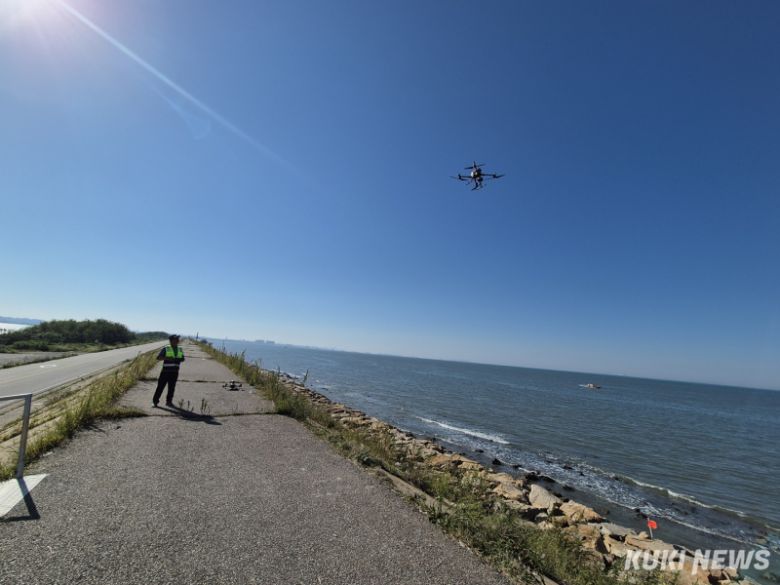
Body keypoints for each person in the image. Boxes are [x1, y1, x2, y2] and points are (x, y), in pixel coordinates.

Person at [153, 334, 185, 407]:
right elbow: (158, 358)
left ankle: (169, 402)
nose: (177, 341)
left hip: (175, 372)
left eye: (177, 340)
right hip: (165, 372)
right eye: (175, 340)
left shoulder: (180, 349)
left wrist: (178, 359)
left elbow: (183, 359)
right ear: (171, 341)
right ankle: (155, 401)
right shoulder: (166, 348)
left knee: (171, 388)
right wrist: (167, 358)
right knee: (160, 387)